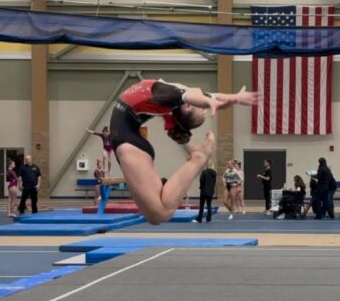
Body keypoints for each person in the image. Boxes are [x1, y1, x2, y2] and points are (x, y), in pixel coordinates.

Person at [109, 79, 260, 225]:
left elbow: (201, 97)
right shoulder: (174, 96)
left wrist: (216, 101)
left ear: (187, 105)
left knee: (160, 214)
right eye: (203, 107)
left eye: (203, 107)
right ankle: (197, 159)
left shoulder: (170, 95)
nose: (205, 104)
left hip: (128, 144)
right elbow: (214, 97)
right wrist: (235, 98)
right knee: (157, 215)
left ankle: (198, 159)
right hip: (129, 141)